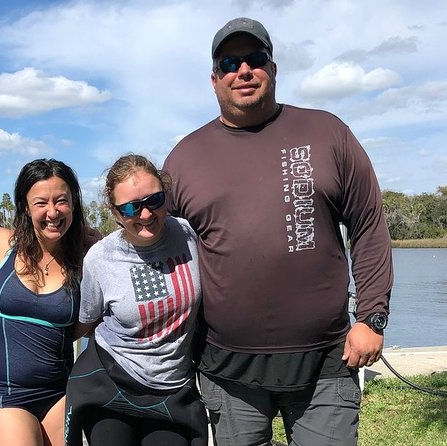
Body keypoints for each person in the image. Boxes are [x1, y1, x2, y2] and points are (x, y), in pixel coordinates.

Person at [163, 17, 393, 446]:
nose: (243, 71)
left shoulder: (327, 132)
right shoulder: (184, 158)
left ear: (273, 67)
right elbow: (161, 253)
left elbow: (368, 225)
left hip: (325, 365)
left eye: (255, 59)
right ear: (214, 78)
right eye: (230, 63)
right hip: (227, 372)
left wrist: (372, 318)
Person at [65, 154, 208, 446]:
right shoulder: (101, 258)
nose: (145, 214)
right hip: (112, 382)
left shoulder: (188, 235)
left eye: (154, 200)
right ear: (116, 213)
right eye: (131, 207)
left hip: (173, 388)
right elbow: (83, 323)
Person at [0, 159, 88, 446]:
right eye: (41, 202)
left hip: (60, 394)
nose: (52, 212)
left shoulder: (84, 260)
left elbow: (87, 327)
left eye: (61, 201)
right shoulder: (0, 244)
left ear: (74, 204)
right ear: (25, 207)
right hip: (6, 395)